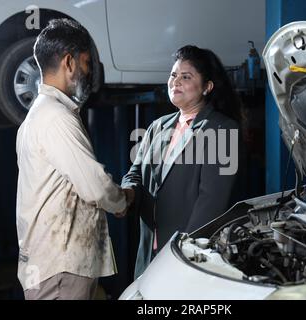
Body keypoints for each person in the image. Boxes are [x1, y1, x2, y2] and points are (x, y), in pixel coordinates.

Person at [16, 18, 128, 300]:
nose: (89, 71)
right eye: (87, 62)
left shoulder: (38, 115)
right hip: (61, 266)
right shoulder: (56, 117)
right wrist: (123, 200)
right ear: (69, 62)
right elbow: (95, 185)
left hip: (52, 263)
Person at [121, 45, 243, 278]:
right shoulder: (158, 127)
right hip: (148, 255)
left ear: (207, 87)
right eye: (173, 75)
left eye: (186, 77)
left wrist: (183, 256)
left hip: (186, 258)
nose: (175, 82)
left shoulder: (223, 130)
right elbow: (135, 172)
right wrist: (127, 193)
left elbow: (211, 204)